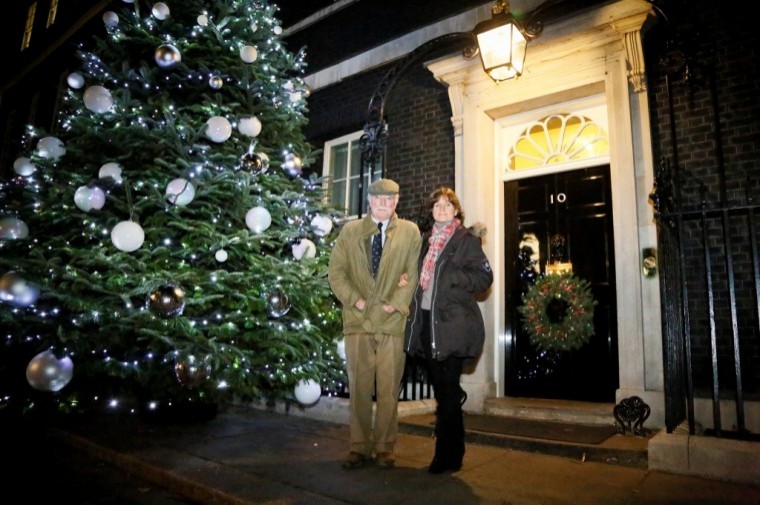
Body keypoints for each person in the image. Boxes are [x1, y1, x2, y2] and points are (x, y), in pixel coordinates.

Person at [328, 178, 422, 470]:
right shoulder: (351, 231)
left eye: (391, 199)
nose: (385, 204)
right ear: (369, 200)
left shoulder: (409, 231)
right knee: (359, 386)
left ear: (397, 201)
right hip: (358, 320)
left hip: (392, 320)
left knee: (388, 388)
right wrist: (355, 300)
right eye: (380, 199)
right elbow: (336, 272)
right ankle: (358, 446)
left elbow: (412, 272)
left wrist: (396, 302)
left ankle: (385, 447)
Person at [405, 187, 493, 474]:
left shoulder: (466, 240)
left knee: (448, 393)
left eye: (448, 204)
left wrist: (453, 276)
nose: (442, 208)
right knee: (444, 393)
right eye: (437, 205)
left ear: (456, 211)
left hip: (454, 326)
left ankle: (447, 456)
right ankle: (451, 454)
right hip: (428, 324)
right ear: (431, 210)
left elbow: (484, 277)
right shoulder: (425, 242)